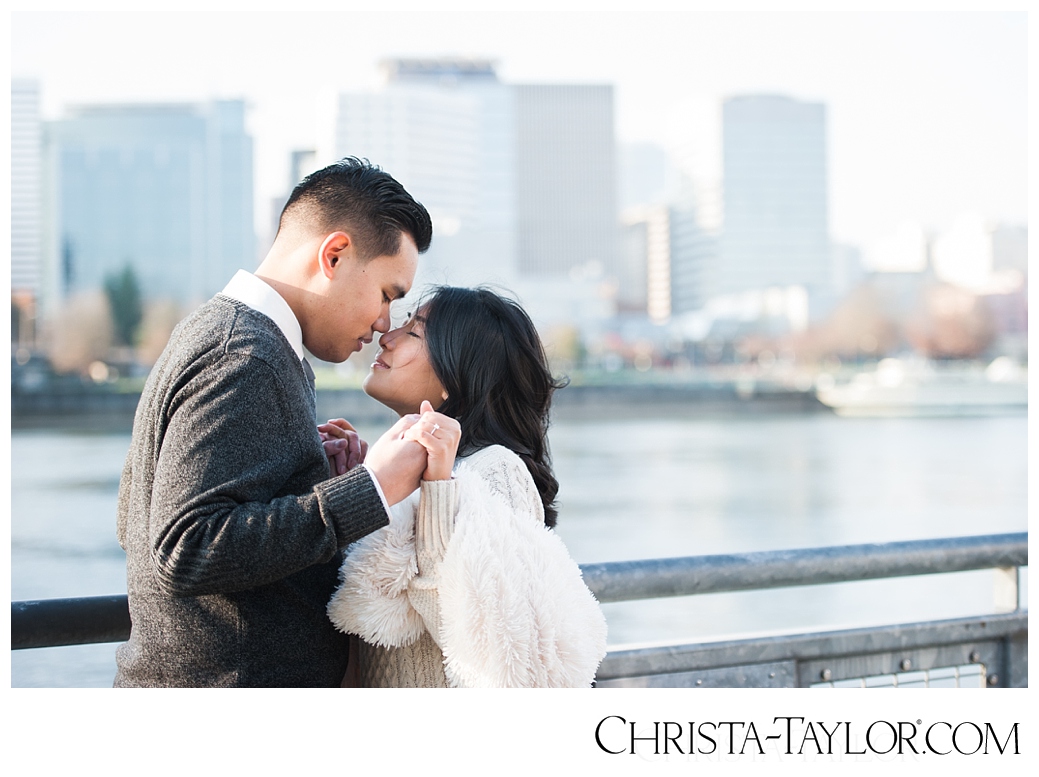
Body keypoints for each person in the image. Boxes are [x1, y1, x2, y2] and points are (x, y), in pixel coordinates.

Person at [114, 157, 433, 687]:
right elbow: (184, 548)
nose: (383, 324)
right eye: (386, 294)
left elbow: (137, 516)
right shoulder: (247, 354)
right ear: (334, 254)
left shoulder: (229, 334)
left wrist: (304, 479)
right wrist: (371, 490)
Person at [325, 286, 608, 687]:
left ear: (454, 377)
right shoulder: (413, 472)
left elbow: (494, 647)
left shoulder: (495, 469)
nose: (387, 336)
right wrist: (355, 485)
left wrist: (440, 491)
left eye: (414, 332)